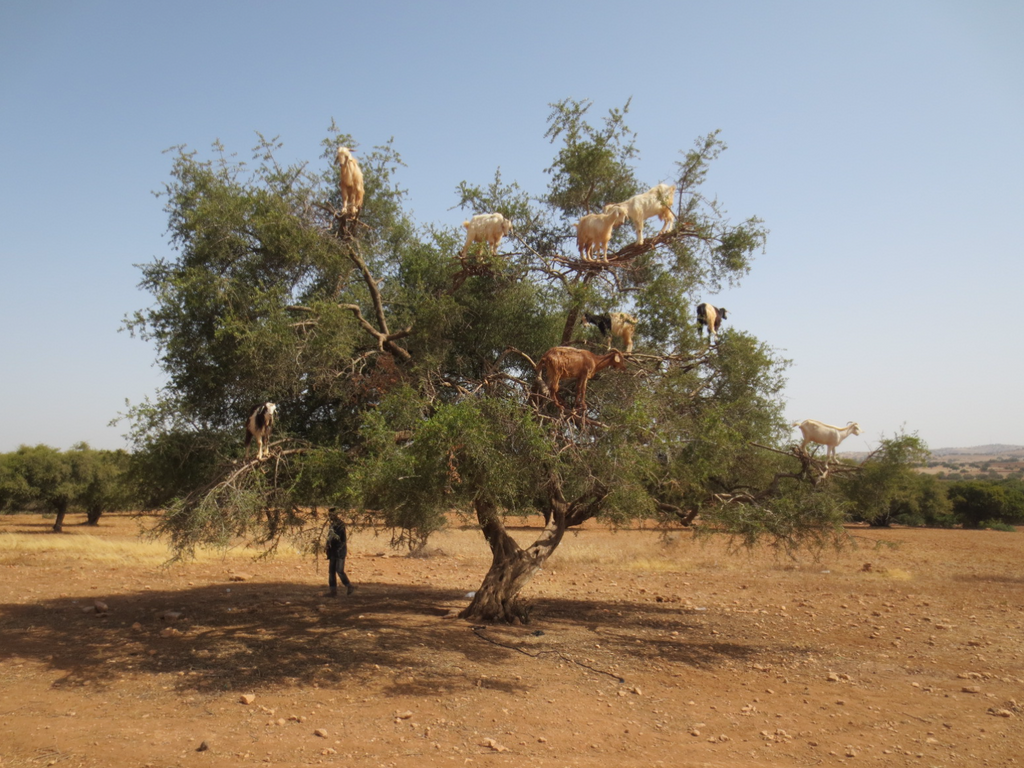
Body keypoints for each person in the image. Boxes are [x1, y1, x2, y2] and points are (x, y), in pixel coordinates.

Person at [326, 510, 355, 597]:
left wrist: (335, 548)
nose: (330, 516)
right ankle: (333, 591)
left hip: (339, 551)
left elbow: (338, 539)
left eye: (331, 514)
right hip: (333, 551)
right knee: (331, 572)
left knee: (339, 570)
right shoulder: (332, 524)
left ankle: (349, 586)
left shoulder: (339, 525)